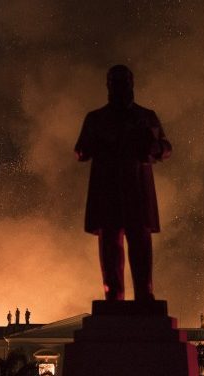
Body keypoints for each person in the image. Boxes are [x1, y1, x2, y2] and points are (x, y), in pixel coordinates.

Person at [75, 64, 171, 301]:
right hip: (108, 191)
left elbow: (166, 147)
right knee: (110, 245)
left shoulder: (146, 116)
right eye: (116, 82)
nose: (121, 87)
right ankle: (114, 296)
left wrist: (154, 146)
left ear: (131, 84)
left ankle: (144, 294)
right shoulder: (96, 119)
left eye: (124, 82)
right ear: (109, 86)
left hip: (136, 189)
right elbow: (81, 151)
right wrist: (103, 143)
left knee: (140, 243)